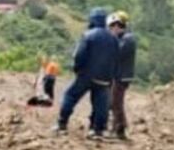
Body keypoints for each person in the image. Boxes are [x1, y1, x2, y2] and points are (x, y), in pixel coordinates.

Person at [54, 9, 119, 140]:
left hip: (86, 75)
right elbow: (116, 59)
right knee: (101, 105)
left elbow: (79, 55)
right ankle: (97, 131)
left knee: (70, 96)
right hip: (104, 78)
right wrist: (111, 77)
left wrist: (78, 69)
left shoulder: (88, 35)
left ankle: (62, 124)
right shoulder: (114, 38)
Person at [108, 11, 138, 140]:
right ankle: (118, 127)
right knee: (114, 102)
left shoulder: (128, 39)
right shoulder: (125, 38)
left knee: (116, 102)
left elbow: (117, 54)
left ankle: (119, 129)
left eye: (112, 26)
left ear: (117, 25)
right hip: (119, 75)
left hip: (122, 76)